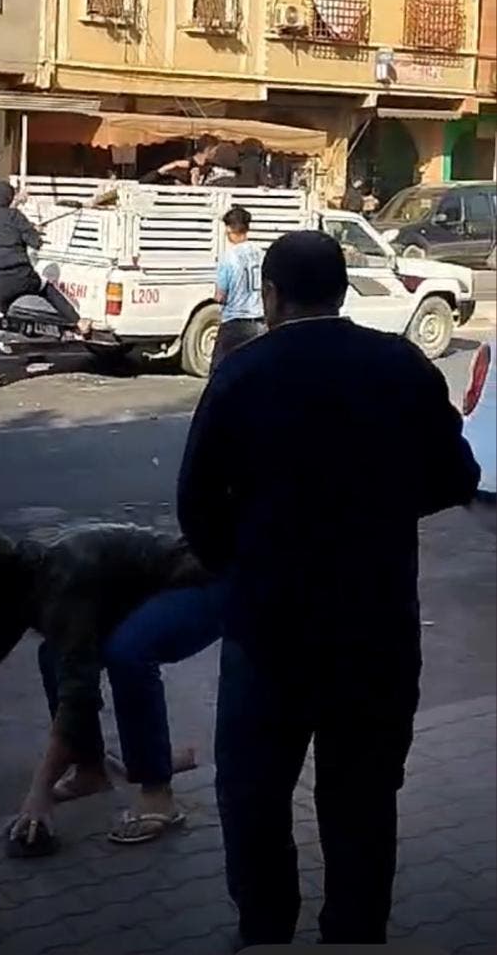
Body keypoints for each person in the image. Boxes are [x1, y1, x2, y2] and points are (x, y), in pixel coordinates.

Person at [177, 230, 480, 947]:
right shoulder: (400, 365)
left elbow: (196, 505)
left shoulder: (242, 375)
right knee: (363, 796)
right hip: (374, 625)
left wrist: (243, 566)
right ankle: (354, 932)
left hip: (268, 628)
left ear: (272, 295)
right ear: (344, 291)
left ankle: (264, 929)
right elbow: (455, 477)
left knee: (253, 793)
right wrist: (379, 511)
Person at [0, 523, 227, 852]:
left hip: (205, 584)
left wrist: (39, 792)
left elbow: (77, 697)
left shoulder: (63, 584)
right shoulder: (25, 577)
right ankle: (90, 772)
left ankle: (157, 795)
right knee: (53, 654)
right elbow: (7, 623)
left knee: (128, 653)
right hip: (152, 596)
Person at [0, 181, 90, 393]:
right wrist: (33, 231)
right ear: (8, 198)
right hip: (22, 274)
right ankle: (78, 322)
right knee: (46, 288)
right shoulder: (15, 217)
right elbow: (36, 243)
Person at [210, 206, 265, 375]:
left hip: (235, 322)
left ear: (229, 229)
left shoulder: (228, 257)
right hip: (259, 321)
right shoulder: (260, 253)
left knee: (219, 372)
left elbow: (220, 296)